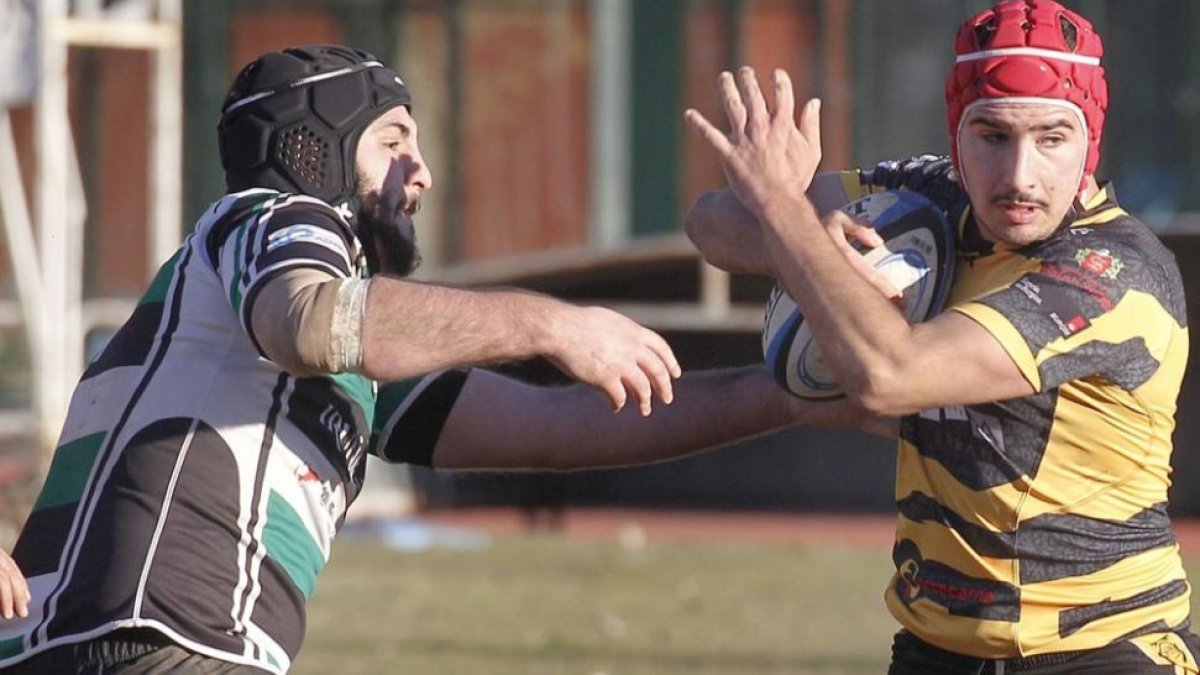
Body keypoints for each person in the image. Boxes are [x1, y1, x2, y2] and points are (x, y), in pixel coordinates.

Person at [0, 44, 874, 674]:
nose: (421, 172)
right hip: (145, 639)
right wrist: (552, 323)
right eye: (393, 140)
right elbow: (310, 320)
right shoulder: (271, 220)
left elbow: (557, 426)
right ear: (319, 151)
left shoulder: (349, 351)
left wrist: (794, 397)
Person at [684, 0, 1200, 673]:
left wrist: (786, 214)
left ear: (1090, 140)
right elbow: (712, 222)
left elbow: (892, 375)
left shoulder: (1112, 273)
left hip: (1102, 651)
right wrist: (800, 231)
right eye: (991, 135)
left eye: (1052, 138)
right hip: (934, 649)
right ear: (956, 133)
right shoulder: (932, 195)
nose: (1019, 176)